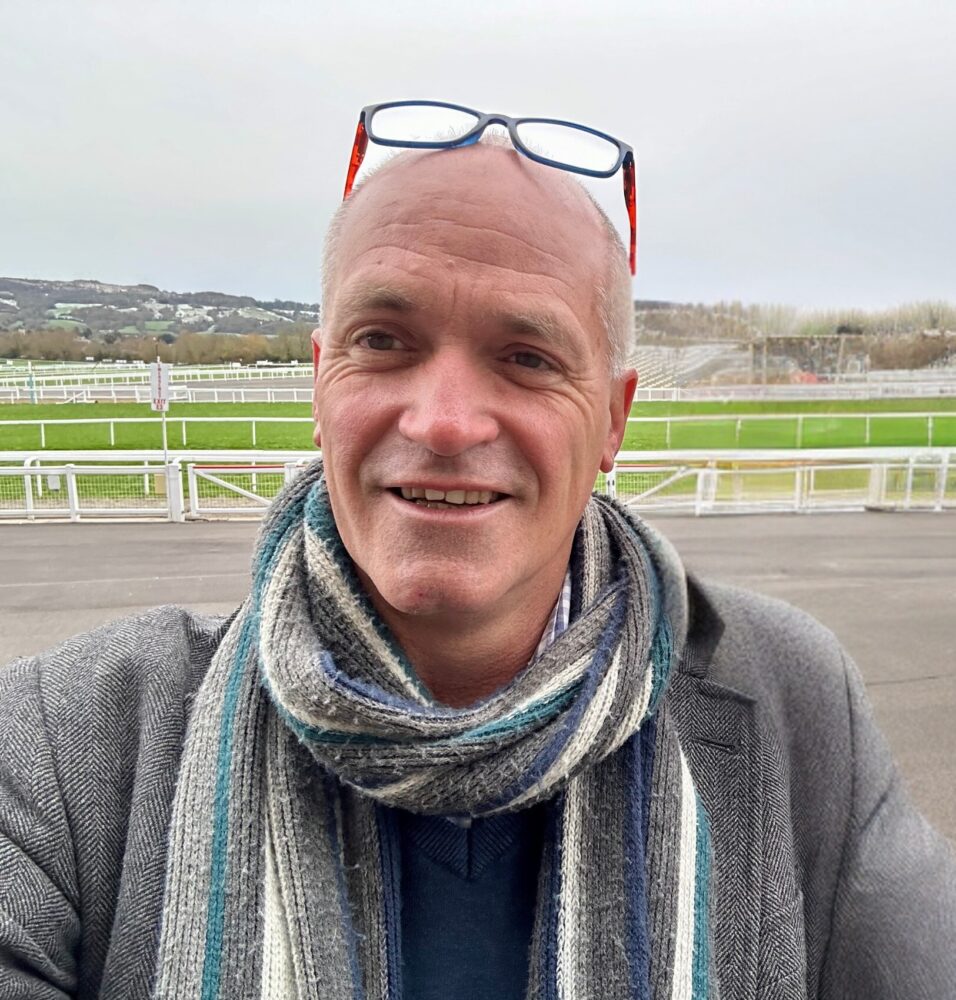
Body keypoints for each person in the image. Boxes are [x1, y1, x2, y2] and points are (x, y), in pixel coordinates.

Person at [1, 106, 955, 1000]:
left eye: (527, 357)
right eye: (385, 340)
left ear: (614, 421)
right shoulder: (66, 739)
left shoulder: (795, 707)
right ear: (321, 378)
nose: (446, 423)